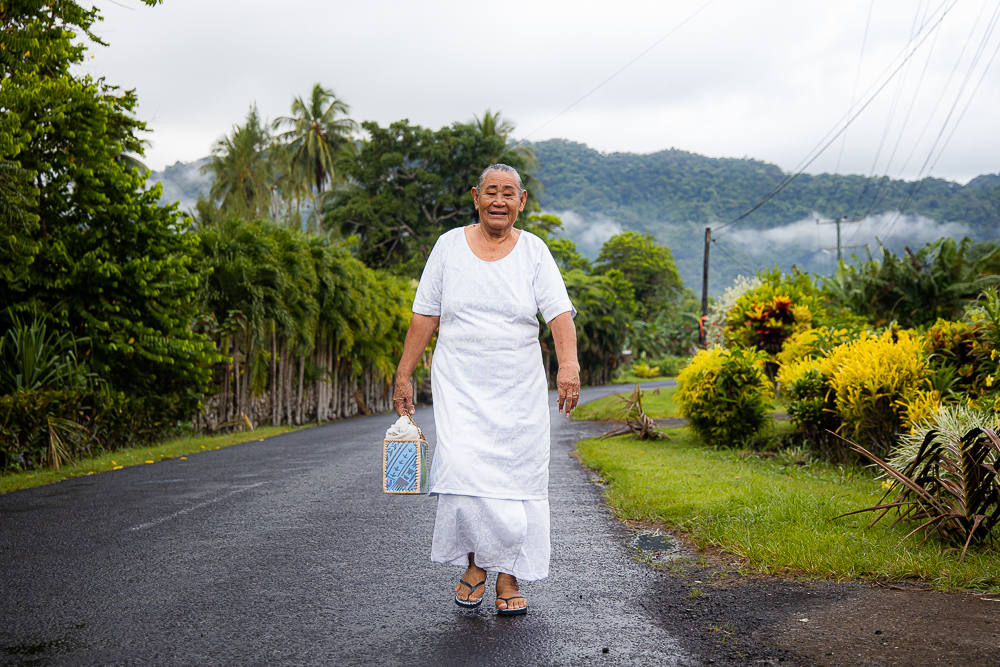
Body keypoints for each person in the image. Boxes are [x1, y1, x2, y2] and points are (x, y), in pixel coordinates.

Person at [393, 163, 580, 616]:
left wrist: (569, 365)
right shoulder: (447, 246)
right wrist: (403, 373)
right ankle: (476, 564)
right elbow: (425, 314)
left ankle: (508, 575)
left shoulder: (534, 251)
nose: (499, 200)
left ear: (522, 202)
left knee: (514, 480)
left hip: (519, 388)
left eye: (508, 192)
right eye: (491, 191)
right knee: (465, 473)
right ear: (476, 198)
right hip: (459, 384)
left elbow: (558, 313)